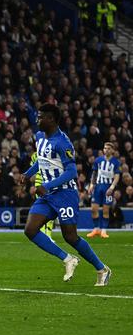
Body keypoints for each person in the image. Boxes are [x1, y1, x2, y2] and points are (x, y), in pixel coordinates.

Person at [20, 103, 111, 286]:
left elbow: (71, 172)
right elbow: (42, 160)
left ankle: (102, 268)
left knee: (70, 236)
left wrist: (48, 185)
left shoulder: (63, 142)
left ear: (51, 119)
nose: (37, 120)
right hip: (48, 195)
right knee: (30, 230)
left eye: (41, 117)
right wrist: (28, 174)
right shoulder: (39, 137)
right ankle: (68, 259)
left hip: (65, 194)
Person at [86, 142, 121, 239]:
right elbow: (94, 173)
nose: (106, 150)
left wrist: (112, 187)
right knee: (94, 209)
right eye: (105, 148)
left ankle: (104, 231)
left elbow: (117, 176)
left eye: (109, 148)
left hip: (108, 188)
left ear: (112, 150)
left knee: (106, 210)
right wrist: (92, 185)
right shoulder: (98, 160)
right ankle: (96, 229)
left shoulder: (116, 162)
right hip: (97, 187)